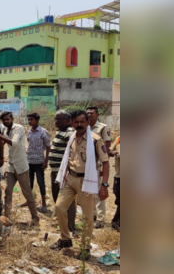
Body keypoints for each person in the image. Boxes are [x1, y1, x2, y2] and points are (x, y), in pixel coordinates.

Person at [50, 110, 110, 260]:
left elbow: (106, 162)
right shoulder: (71, 138)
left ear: (88, 122)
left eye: (82, 122)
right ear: (72, 123)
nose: (79, 125)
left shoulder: (95, 140)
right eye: (76, 122)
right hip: (70, 179)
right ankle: (65, 239)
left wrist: (104, 185)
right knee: (59, 207)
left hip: (86, 182)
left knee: (87, 217)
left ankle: (85, 247)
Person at [0, 112, 39, 225]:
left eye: (8, 119)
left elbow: (14, 143)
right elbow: (2, 143)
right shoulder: (4, 130)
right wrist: (1, 157)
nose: (6, 121)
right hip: (12, 166)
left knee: (27, 193)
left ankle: (35, 218)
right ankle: (6, 217)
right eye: (4, 120)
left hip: (21, 166)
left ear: (12, 118)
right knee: (8, 192)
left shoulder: (19, 128)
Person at [49, 110, 77, 233]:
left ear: (68, 120)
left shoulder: (70, 133)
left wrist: (66, 171)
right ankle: (63, 223)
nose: (56, 122)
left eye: (59, 120)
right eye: (56, 119)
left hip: (63, 172)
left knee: (67, 200)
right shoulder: (61, 132)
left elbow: (72, 154)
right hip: (55, 171)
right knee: (58, 198)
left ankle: (69, 226)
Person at [87, 106, 112, 229]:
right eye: (88, 113)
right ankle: (93, 215)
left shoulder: (102, 127)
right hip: (87, 164)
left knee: (98, 191)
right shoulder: (85, 127)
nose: (89, 115)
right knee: (89, 190)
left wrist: (103, 165)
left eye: (92, 113)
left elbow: (107, 147)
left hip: (98, 163)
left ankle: (101, 219)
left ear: (97, 114)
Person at [25, 113, 51, 213]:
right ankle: (30, 202)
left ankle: (44, 203)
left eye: (31, 119)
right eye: (29, 120)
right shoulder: (29, 132)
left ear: (37, 120)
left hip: (39, 162)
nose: (30, 121)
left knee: (41, 183)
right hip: (29, 161)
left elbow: (48, 146)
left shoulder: (43, 132)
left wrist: (46, 161)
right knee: (29, 183)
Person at [109, 135, 120, 232]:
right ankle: (116, 223)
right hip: (119, 176)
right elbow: (109, 151)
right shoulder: (119, 139)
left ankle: (116, 222)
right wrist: (113, 152)